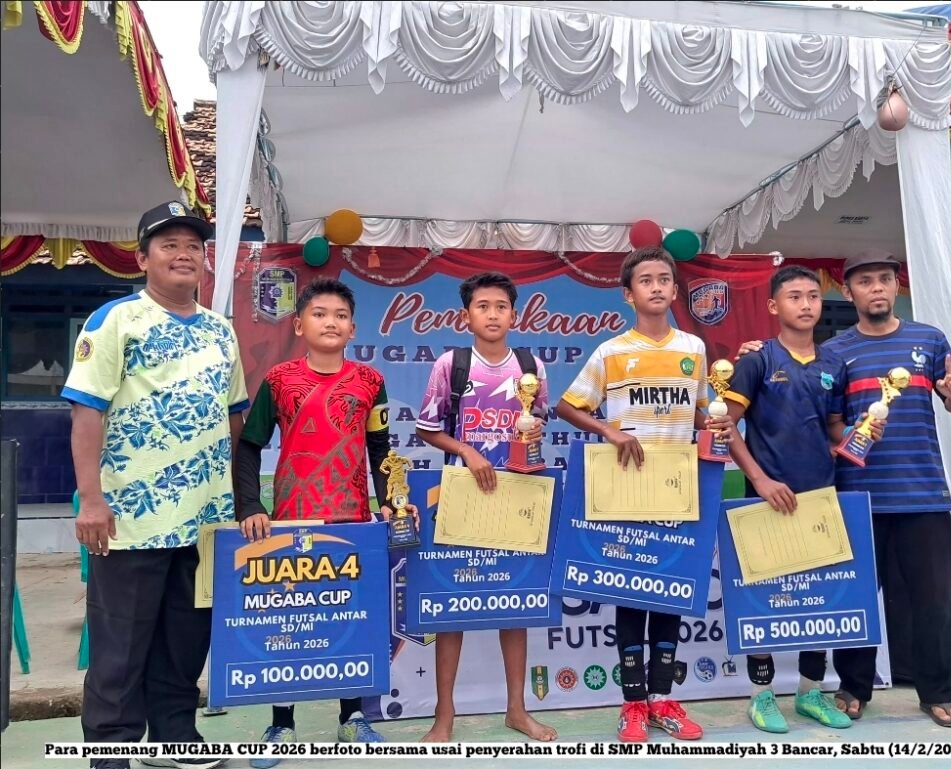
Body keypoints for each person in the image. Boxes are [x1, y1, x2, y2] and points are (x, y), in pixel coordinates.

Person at [737, 249, 951, 728]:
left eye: (885, 279)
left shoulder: (929, 340)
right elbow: (831, 426)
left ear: (896, 286)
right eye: (865, 282)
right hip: (853, 495)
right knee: (853, 600)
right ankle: (853, 688)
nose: (877, 288)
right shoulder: (835, 352)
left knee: (934, 601)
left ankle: (937, 693)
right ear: (848, 292)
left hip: (924, 493)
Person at [64, 202, 249, 769]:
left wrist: (233, 498)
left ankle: (175, 737)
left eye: (193, 245)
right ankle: (111, 751)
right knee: (120, 648)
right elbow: (87, 413)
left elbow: (234, 417)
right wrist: (91, 500)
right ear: (142, 258)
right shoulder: (115, 321)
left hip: (204, 521)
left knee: (185, 641)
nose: (184, 254)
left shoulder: (221, 331)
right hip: (130, 518)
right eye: (169, 244)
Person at [233, 277, 418, 767]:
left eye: (340, 315)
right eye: (319, 314)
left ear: (352, 328)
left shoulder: (370, 382)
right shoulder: (279, 380)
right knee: (288, 621)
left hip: (353, 519)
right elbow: (248, 446)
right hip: (290, 520)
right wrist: (250, 506)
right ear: (299, 325)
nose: (330, 322)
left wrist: (391, 501)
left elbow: (380, 447)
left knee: (351, 619)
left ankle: (352, 717)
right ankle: (282, 723)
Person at [555, 247, 734, 743]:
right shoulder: (611, 352)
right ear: (628, 294)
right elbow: (567, 406)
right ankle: (633, 704)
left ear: (675, 290)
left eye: (663, 279)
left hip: (678, 491)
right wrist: (608, 431)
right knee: (631, 595)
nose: (656, 287)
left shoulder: (693, 348)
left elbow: (703, 411)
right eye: (646, 280)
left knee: (671, 594)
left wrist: (716, 426)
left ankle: (664, 700)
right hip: (627, 491)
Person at [415, 272, 557, 743]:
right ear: (466, 316)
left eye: (501, 306)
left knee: (515, 605)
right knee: (451, 609)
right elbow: (426, 428)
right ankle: (444, 716)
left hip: (517, 495)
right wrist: (468, 451)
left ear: (514, 315)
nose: (492, 314)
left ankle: (517, 710)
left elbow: (537, 419)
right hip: (463, 496)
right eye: (483, 306)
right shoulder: (451, 364)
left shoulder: (531, 365)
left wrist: (532, 433)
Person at [724, 266, 860, 733]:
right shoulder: (757, 360)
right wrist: (760, 480)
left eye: (813, 296)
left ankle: (809, 693)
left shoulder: (834, 365)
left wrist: (863, 436)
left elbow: (834, 431)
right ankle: (760, 696)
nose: (805, 304)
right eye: (795, 296)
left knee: (818, 602)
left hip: (821, 500)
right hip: (764, 501)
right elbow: (725, 428)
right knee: (762, 600)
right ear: (773, 306)